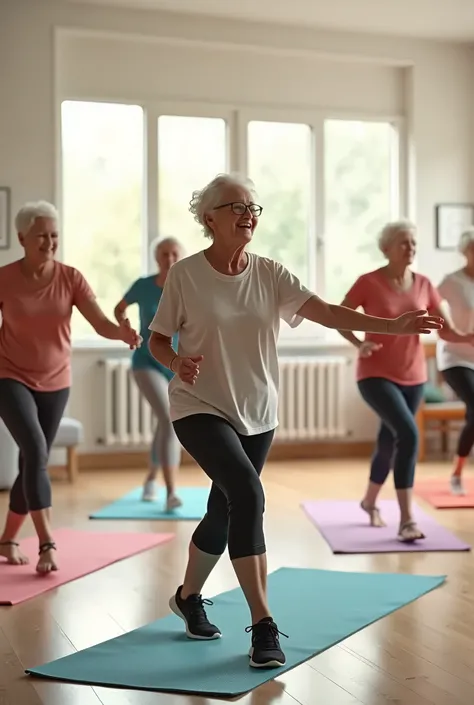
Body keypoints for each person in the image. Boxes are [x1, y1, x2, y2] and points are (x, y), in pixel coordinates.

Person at [147, 174, 443, 669]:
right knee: (247, 493)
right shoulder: (186, 276)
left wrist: (392, 326)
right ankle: (263, 624)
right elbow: (157, 338)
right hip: (198, 405)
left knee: (225, 509)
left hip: (258, 412)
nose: (248, 213)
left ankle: (186, 597)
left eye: (253, 207)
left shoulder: (270, 273)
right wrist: (176, 362)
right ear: (209, 219)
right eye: (235, 206)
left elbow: (327, 312)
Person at [0, 201, 141, 573]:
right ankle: (47, 542)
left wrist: (121, 334)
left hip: (56, 380)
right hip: (9, 375)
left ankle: (7, 539)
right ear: (21, 238)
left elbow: (99, 323)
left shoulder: (71, 277)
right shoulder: (4, 277)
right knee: (33, 449)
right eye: (42, 235)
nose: (50, 242)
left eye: (55, 235)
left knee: (34, 460)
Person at [338, 220, 467, 541]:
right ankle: (407, 519)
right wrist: (358, 343)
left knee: (389, 438)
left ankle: (369, 501)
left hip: (414, 376)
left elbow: (445, 329)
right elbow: (340, 316)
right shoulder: (368, 282)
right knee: (408, 434)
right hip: (374, 374)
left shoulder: (424, 284)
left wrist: (467, 337)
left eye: (413, 243)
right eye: (404, 243)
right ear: (386, 248)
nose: (411, 248)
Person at [114, 237, 184, 507]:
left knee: (165, 422)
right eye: (164, 254)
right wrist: (125, 327)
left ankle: (151, 478)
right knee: (169, 419)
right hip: (145, 361)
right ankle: (171, 492)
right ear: (157, 257)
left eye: (174, 253)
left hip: (174, 363)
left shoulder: (185, 287)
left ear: (180, 257)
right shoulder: (143, 286)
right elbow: (119, 308)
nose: (169, 258)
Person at [436, 228, 474, 495]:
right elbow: (427, 302)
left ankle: (457, 470)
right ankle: (457, 473)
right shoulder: (452, 281)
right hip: (454, 356)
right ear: (465, 252)